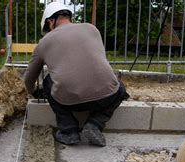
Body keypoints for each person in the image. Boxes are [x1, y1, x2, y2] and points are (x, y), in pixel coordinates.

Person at [23, 2, 129, 147]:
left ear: (50, 21)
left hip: (68, 101)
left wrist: (32, 92)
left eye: (48, 28)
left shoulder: (44, 42)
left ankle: (69, 131)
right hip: (106, 97)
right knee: (119, 88)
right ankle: (95, 124)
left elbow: (29, 80)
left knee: (49, 81)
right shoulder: (92, 29)